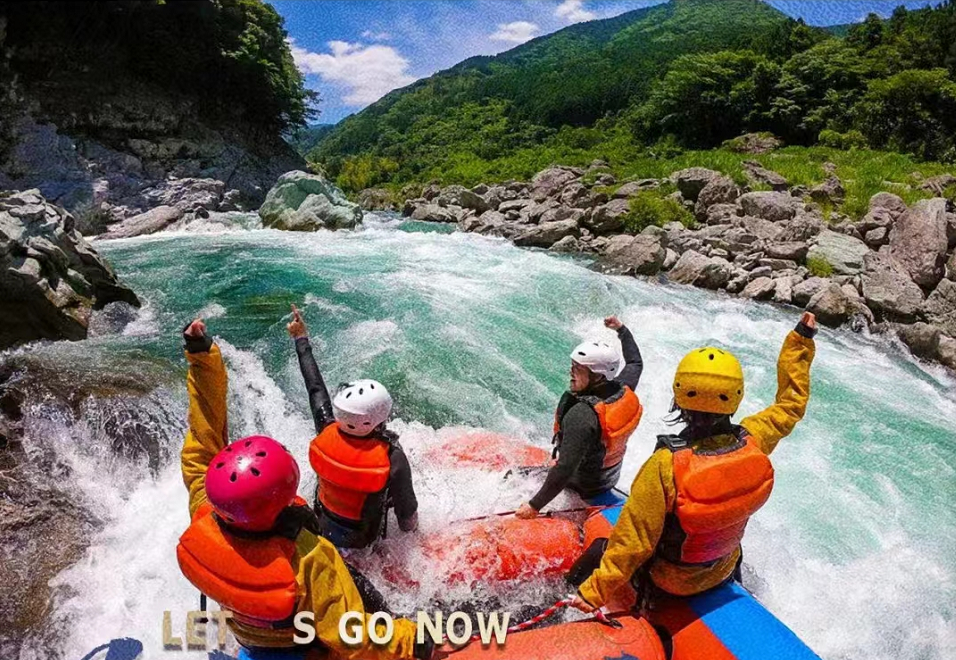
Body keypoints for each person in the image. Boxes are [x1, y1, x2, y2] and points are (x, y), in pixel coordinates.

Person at [175, 318, 432, 660]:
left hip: (249, 637)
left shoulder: (206, 509)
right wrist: (409, 639)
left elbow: (201, 445)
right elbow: (349, 635)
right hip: (304, 646)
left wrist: (201, 356)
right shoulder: (309, 557)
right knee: (362, 596)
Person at [569, 311, 817, 614]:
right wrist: (800, 343)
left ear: (679, 395)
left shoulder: (665, 465)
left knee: (598, 550)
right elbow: (790, 405)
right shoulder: (757, 437)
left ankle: (564, 605)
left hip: (672, 580)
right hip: (723, 567)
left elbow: (632, 543)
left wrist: (594, 593)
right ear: (735, 394)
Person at [287, 305, 419, 549]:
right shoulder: (393, 458)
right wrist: (415, 543)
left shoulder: (326, 428)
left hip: (323, 525)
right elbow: (407, 515)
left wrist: (300, 338)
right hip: (364, 542)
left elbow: (314, 388)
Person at [516, 316, 644, 519]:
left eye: (578, 369)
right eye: (572, 366)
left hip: (582, 485)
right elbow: (636, 362)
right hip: (606, 479)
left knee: (514, 477)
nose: (571, 373)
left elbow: (565, 468)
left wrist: (534, 506)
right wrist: (622, 330)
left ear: (597, 375)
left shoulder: (583, 415)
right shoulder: (623, 389)